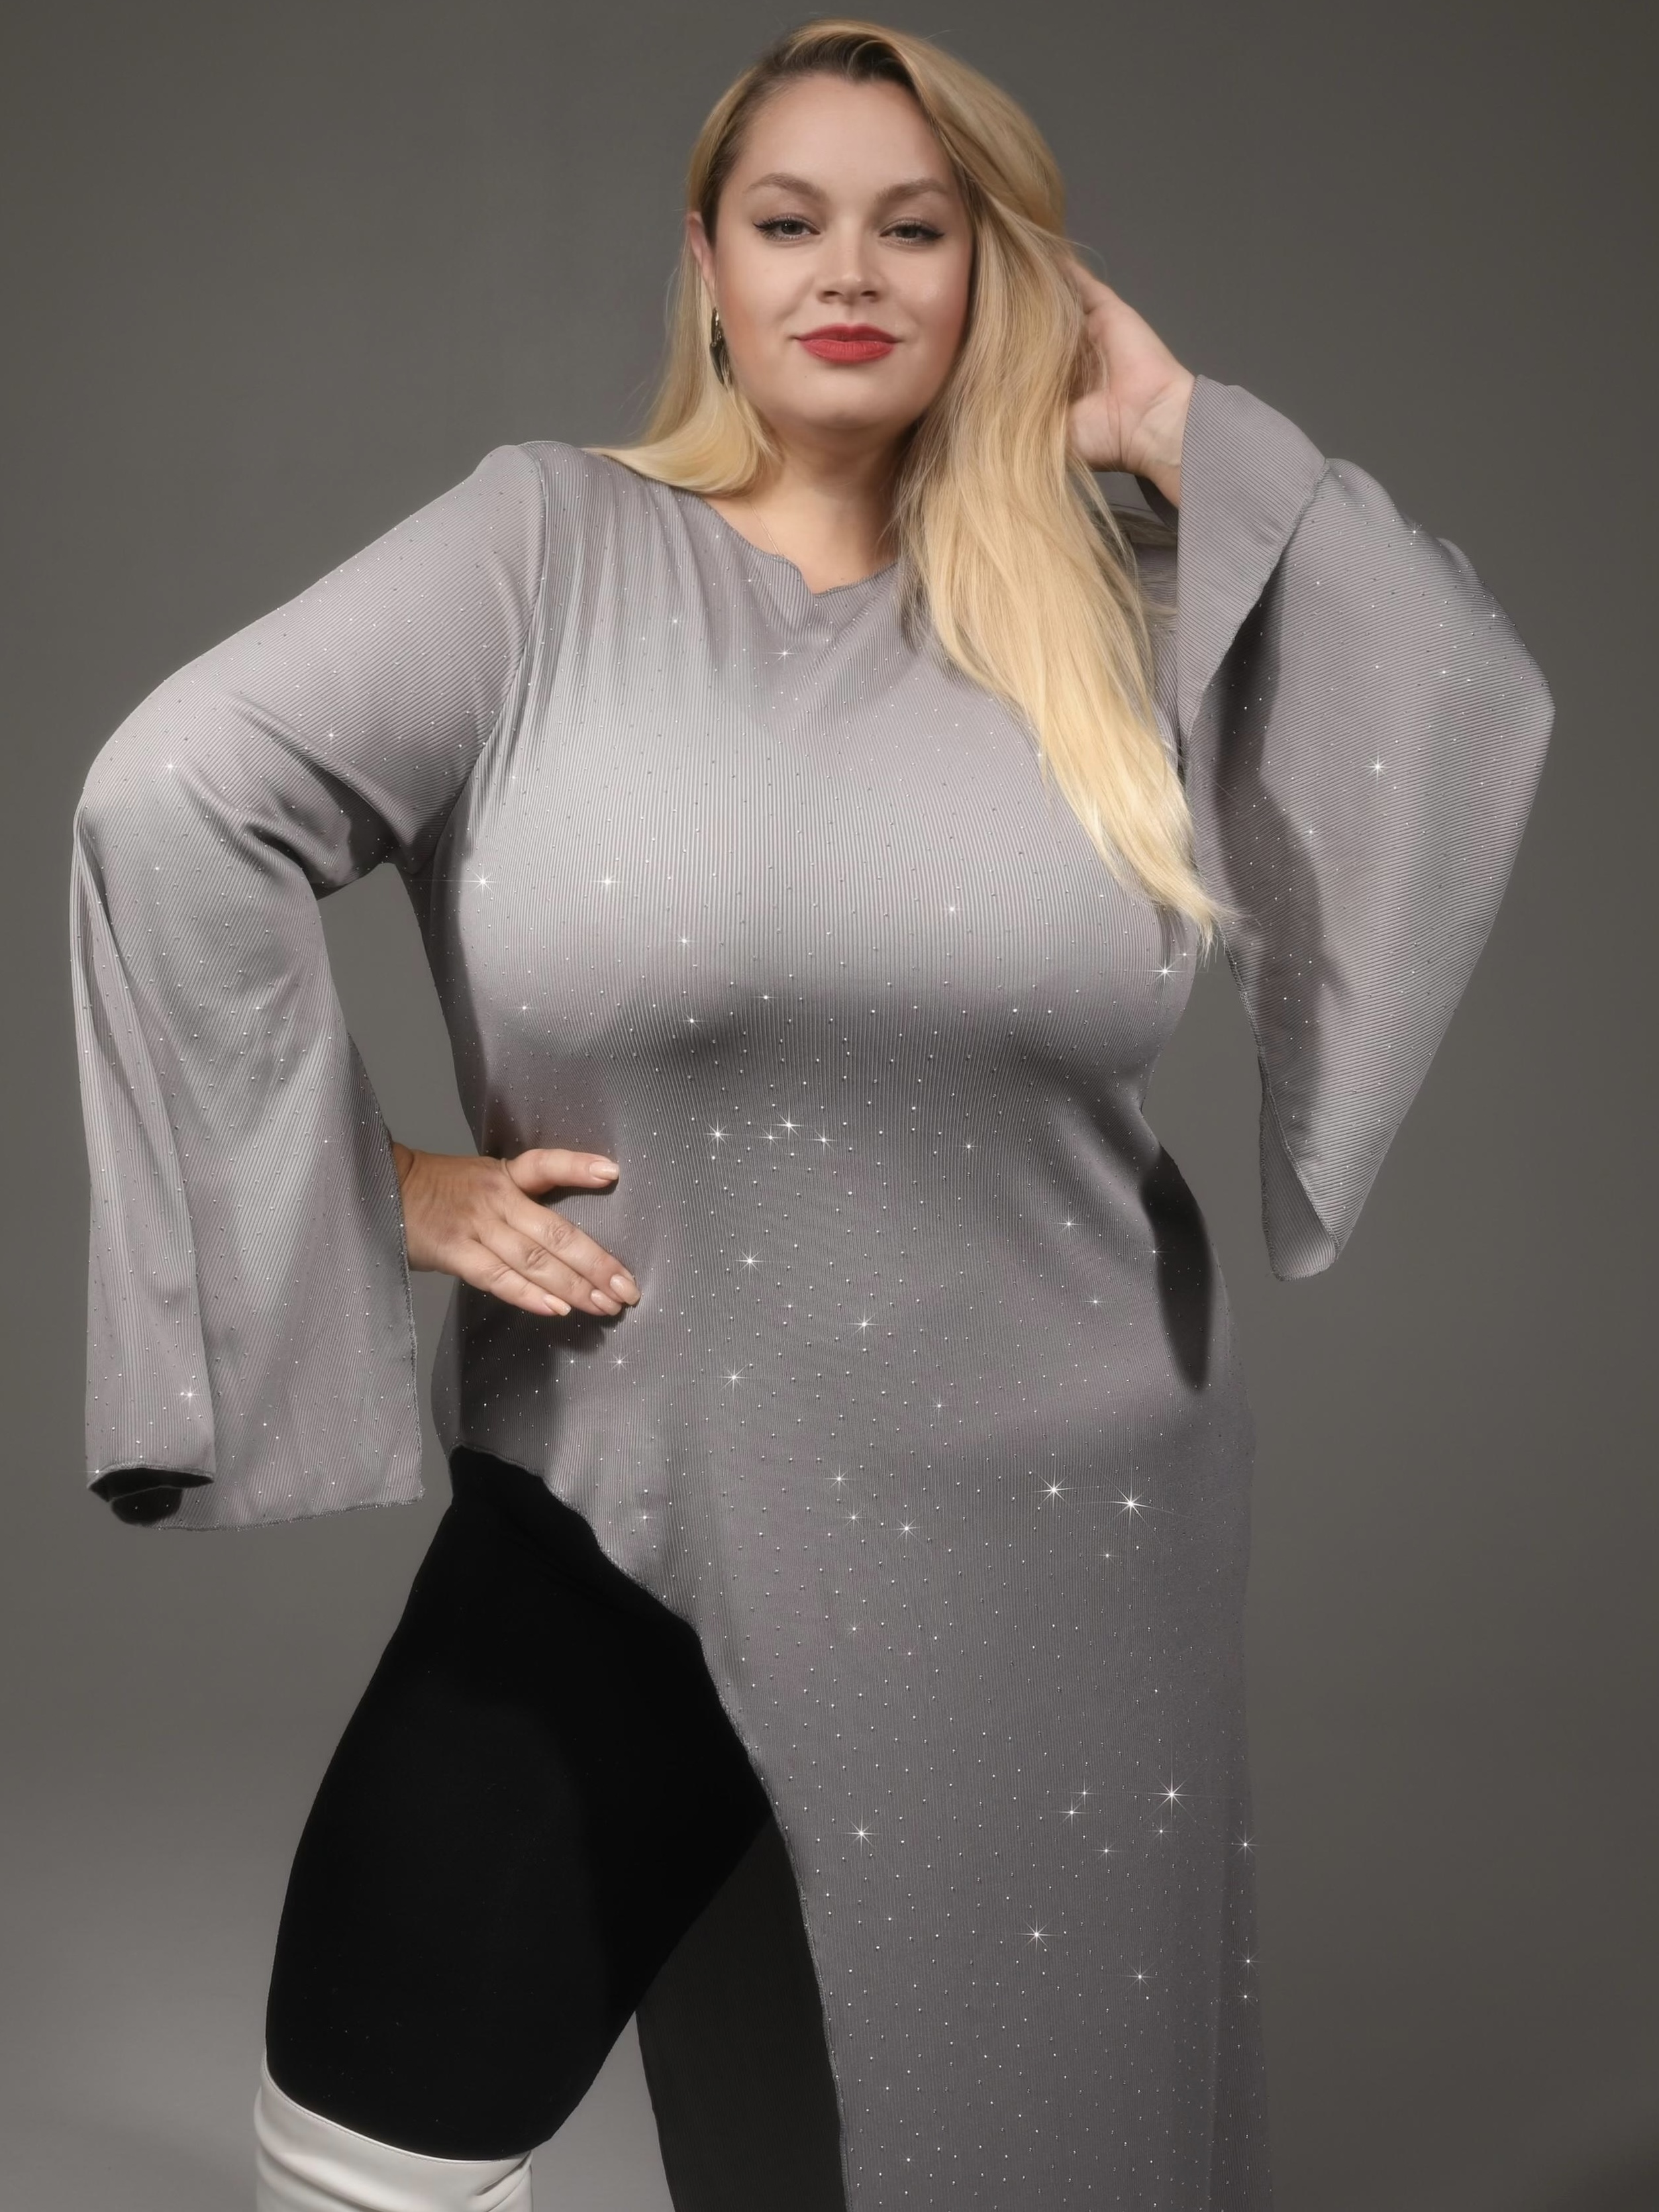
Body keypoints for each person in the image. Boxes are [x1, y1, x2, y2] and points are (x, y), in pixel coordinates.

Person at [69, 17, 1555, 2212]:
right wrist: (374, 1182)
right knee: (373, 2120)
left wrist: (1170, 426)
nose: (846, 271)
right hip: (631, 1468)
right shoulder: (546, 547)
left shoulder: (1113, 601)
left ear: (991, 272)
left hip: (1055, 1519)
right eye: (789, 222)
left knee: (988, 2153)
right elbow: (172, 797)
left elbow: (1451, 694)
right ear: (709, 262)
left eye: (912, 228)